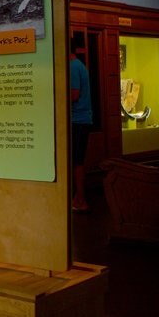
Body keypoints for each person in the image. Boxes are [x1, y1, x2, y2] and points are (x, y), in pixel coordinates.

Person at [70, 37, 93, 213]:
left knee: (77, 161)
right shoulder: (80, 66)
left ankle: (80, 199)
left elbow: (74, 95)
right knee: (77, 160)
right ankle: (78, 197)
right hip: (81, 120)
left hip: (77, 120)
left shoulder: (72, 67)